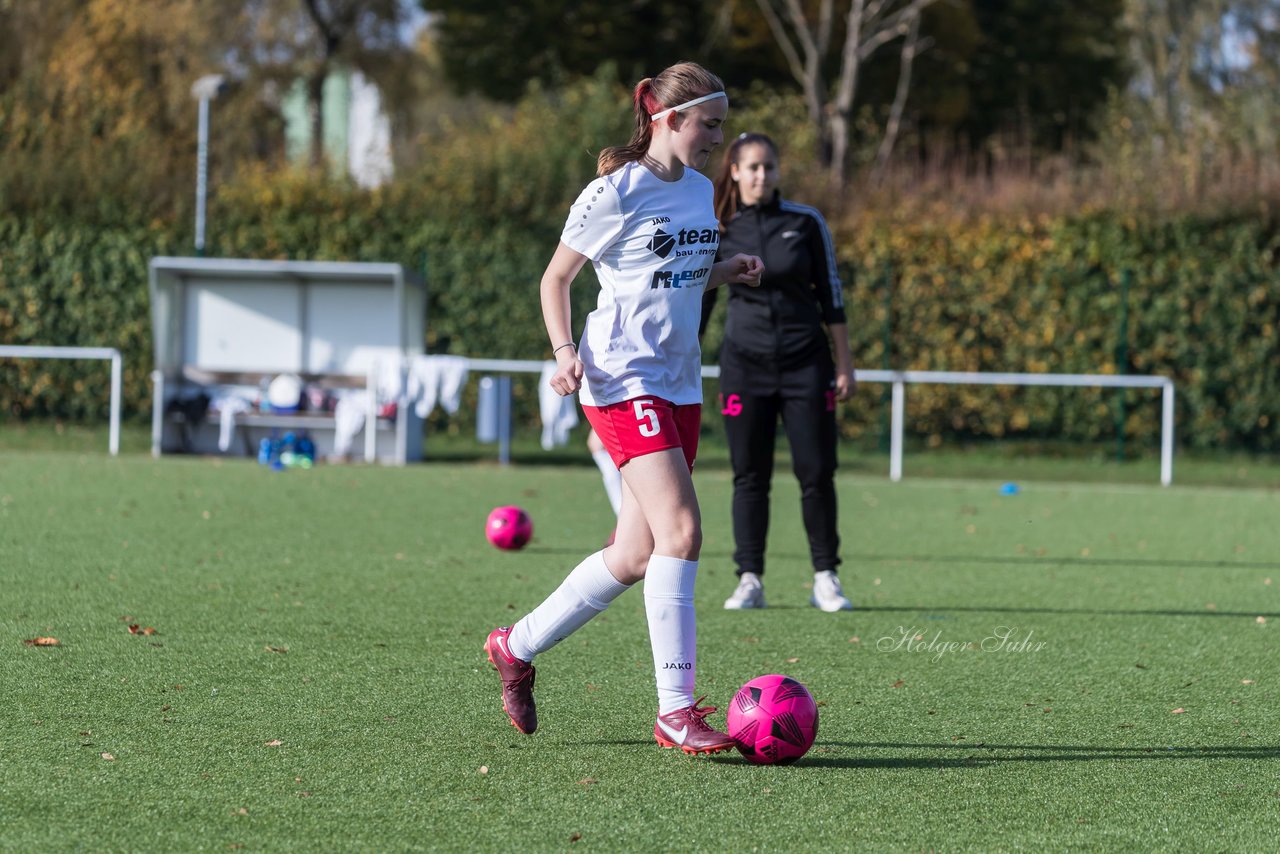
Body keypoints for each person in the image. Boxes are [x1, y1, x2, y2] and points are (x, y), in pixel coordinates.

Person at [484, 62, 765, 755]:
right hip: (620, 377)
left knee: (636, 553)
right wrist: (561, 352)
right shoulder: (614, 191)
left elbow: (679, 270)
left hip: (678, 381)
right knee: (682, 532)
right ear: (671, 119)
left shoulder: (702, 191)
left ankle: (514, 646)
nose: (716, 138)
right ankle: (675, 711)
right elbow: (557, 279)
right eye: (710, 124)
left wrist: (725, 271)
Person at [702, 132, 856, 612]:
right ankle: (750, 578)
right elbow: (702, 297)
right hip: (744, 367)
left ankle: (825, 577)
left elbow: (831, 293)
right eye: (752, 167)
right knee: (749, 475)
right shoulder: (718, 227)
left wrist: (845, 362)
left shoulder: (805, 222)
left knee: (816, 472)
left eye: (768, 167)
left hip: (805, 365)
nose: (761, 176)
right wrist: (681, 354)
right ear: (734, 171)